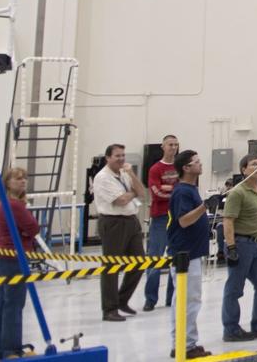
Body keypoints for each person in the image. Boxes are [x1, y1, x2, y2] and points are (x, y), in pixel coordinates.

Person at [93, 143, 147, 321]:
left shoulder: (124, 173)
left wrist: (132, 174)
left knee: (140, 262)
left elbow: (142, 192)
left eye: (123, 155)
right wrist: (133, 193)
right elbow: (121, 200)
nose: (121, 159)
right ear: (108, 158)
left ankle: (122, 300)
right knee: (112, 265)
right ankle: (109, 309)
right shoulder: (103, 177)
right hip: (113, 222)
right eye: (117, 156)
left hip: (131, 220)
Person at [222, 156, 257, 342]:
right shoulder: (238, 192)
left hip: (256, 245)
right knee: (235, 288)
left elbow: (256, 216)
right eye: (254, 164)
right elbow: (228, 221)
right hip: (240, 244)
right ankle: (231, 329)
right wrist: (231, 247)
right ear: (244, 170)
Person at [167, 150, 211, 359]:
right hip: (185, 254)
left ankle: (188, 342)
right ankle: (183, 345)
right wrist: (205, 207)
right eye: (196, 162)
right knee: (187, 300)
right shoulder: (182, 192)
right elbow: (184, 221)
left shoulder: (191, 189)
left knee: (190, 300)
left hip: (192, 253)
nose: (200, 164)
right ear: (186, 168)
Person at [0, 167, 38, 358]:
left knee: (3, 302)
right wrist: (26, 233)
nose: (23, 181)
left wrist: (25, 232)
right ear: (8, 183)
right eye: (18, 179)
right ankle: (11, 350)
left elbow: (28, 229)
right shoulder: (15, 205)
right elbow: (34, 228)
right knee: (14, 305)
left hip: (1, 258)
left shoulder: (1, 203)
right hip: (14, 259)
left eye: (25, 178)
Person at [144, 134, 180, 311]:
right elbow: (156, 192)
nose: (173, 147)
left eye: (175, 144)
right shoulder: (155, 169)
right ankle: (150, 299)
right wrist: (174, 191)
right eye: (170, 144)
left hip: (177, 217)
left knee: (176, 258)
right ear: (163, 147)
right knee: (155, 258)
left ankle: (171, 298)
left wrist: (170, 189)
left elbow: (185, 188)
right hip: (160, 217)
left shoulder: (180, 166)